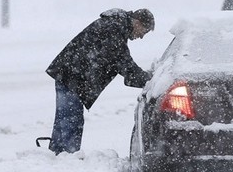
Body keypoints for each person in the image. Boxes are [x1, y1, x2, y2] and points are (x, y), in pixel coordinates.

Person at [45, 8, 155, 154]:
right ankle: (66, 155)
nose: (141, 36)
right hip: (72, 75)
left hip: (70, 74)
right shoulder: (115, 28)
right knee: (71, 119)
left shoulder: (116, 25)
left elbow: (121, 61)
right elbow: (123, 61)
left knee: (66, 118)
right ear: (138, 22)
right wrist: (149, 80)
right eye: (144, 31)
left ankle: (58, 154)